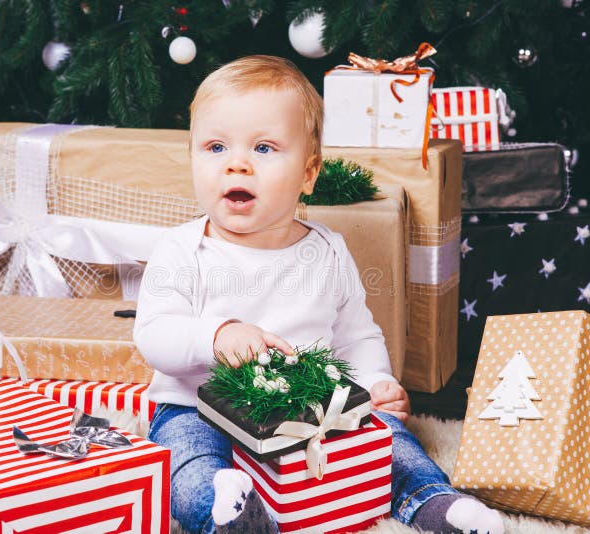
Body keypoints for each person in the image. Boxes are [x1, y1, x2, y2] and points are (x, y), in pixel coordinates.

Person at [133, 55, 504, 534]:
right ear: (192, 159)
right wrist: (217, 335)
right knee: (183, 459)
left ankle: (432, 501)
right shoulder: (182, 249)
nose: (237, 163)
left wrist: (376, 382)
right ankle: (227, 513)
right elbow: (155, 334)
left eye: (264, 148)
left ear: (308, 174)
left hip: (313, 410)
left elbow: (356, 335)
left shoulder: (327, 251)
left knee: (386, 440)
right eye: (215, 146)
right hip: (197, 407)